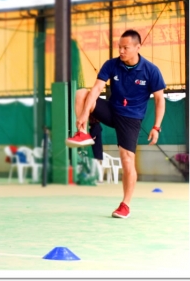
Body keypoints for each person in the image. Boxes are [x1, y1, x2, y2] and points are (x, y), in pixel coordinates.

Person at [67, 29, 166, 219]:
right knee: (81, 93)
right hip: (112, 110)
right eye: (119, 47)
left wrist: (156, 127)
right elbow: (96, 89)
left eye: (125, 48)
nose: (121, 51)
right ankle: (83, 133)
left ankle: (125, 204)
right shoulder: (112, 65)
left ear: (138, 47)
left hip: (131, 118)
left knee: (127, 158)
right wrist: (84, 115)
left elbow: (160, 100)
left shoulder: (151, 70)